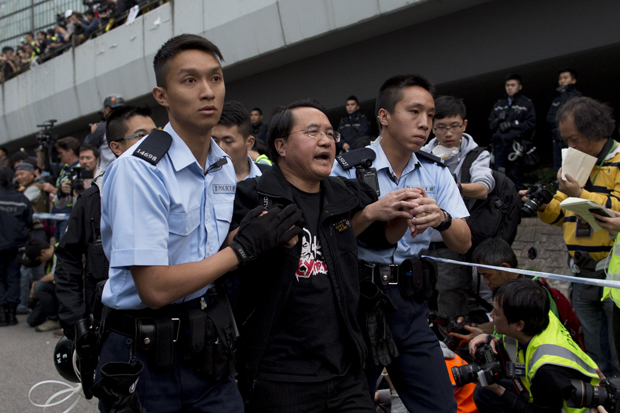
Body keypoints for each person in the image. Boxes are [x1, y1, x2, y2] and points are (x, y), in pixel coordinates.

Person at [96, 34, 302, 412]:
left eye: (216, 78)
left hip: (208, 341)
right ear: (162, 95)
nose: (208, 91)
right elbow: (155, 288)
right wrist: (242, 250)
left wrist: (257, 236)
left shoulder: (222, 165)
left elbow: (205, 251)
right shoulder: (140, 170)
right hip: (142, 352)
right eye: (190, 80)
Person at [231, 98, 419, 412]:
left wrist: (401, 211)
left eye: (330, 134)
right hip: (280, 378)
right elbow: (235, 257)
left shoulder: (348, 193)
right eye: (313, 132)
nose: (326, 141)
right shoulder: (254, 196)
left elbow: (383, 237)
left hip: (345, 373)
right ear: (281, 145)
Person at [332, 74, 472, 413]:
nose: (425, 123)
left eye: (430, 115)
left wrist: (442, 218)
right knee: (350, 406)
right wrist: (372, 213)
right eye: (414, 112)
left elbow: (464, 243)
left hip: (410, 304)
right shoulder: (346, 170)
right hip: (356, 301)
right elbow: (329, 240)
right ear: (384, 116)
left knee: (441, 405)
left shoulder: (435, 172)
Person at [525, 96, 620, 377]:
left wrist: (580, 194)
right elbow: (560, 215)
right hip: (580, 269)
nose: (570, 146)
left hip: (611, 274)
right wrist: (543, 205)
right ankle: (599, 395)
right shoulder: (575, 161)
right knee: (591, 347)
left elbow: (616, 210)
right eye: (565, 139)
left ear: (595, 131)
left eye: (574, 138)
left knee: (617, 346)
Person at [54, 105, 157, 340]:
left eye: (157, 134)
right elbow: (68, 258)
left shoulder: (178, 188)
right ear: (116, 147)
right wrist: (76, 319)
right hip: (110, 327)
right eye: (141, 135)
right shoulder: (95, 197)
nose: (153, 142)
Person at [470, 278, 600, 413]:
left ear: (519, 325)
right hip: (543, 391)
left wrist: (497, 389)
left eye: (496, 313)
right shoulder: (539, 314)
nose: (491, 315)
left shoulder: (547, 367)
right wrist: (489, 337)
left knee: (491, 392)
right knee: (484, 393)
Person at [422, 95, 495, 318]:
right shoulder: (421, 154)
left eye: (454, 126)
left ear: (464, 124)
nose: (448, 133)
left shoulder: (476, 154)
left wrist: (452, 187)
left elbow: (483, 188)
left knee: (450, 298)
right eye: (441, 127)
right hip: (421, 241)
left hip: (452, 242)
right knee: (421, 296)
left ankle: (454, 347)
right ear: (432, 127)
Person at [488, 74, 536, 190]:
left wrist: (513, 124)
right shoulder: (499, 104)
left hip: (516, 146)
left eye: (513, 85)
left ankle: (519, 204)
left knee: (516, 176)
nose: (510, 88)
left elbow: (531, 125)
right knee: (498, 176)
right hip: (499, 146)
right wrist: (499, 119)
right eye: (507, 85)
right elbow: (490, 125)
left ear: (520, 87)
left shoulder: (526, 103)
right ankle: (501, 205)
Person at [0, 167, 32, 326]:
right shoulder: (21, 198)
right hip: (15, 245)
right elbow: (29, 221)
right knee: (14, 277)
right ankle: (12, 314)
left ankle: (1, 313)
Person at [14, 162, 47, 315]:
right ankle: (31, 304)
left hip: (36, 232)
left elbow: (21, 204)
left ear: (32, 173)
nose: (19, 178)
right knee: (27, 269)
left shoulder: (35, 188)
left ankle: (37, 305)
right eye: (17, 175)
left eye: (22, 174)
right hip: (30, 232)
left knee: (34, 269)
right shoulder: (25, 189)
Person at [212, 101, 264, 181]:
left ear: (250, 143)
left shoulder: (268, 177)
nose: (220, 147)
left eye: (228, 141)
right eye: (215, 141)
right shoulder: (204, 178)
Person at [41, 137, 81, 240]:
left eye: (61, 152)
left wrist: (53, 190)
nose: (59, 156)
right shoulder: (66, 168)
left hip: (70, 213)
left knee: (64, 245)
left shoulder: (81, 168)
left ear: (70, 151)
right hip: (59, 212)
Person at [547, 68, 582, 174]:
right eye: (560, 79)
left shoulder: (578, 97)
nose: (562, 81)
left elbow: (575, 117)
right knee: (559, 170)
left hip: (573, 140)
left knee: (574, 170)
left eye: (565, 78)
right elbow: (549, 118)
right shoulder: (556, 100)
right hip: (557, 139)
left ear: (573, 80)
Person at [24, 239, 61, 332]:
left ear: (43, 252)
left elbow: (52, 276)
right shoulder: (49, 260)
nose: (41, 262)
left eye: (39, 259)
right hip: (55, 292)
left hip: (63, 291)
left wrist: (35, 285)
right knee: (32, 320)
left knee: (39, 287)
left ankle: (54, 319)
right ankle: (51, 315)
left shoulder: (59, 250)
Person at [84, 94, 126, 170]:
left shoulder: (103, 127)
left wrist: (93, 133)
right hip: (127, 166)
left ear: (107, 109)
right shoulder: (129, 123)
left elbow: (87, 146)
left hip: (109, 171)